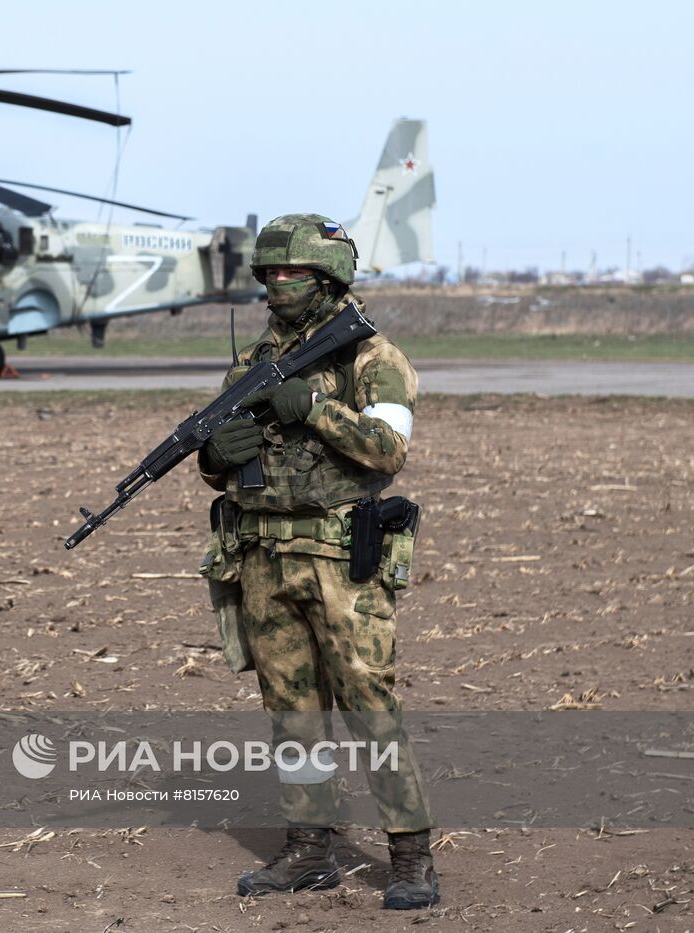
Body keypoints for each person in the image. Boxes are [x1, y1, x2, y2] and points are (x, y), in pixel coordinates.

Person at [197, 213, 439, 910]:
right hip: (264, 556)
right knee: (291, 711)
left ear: (328, 277)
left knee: (370, 706)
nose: (278, 283)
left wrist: (313, 408)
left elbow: (389, 450)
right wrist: (218, 457)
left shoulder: (371, 357)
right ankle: (310, 848)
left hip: (342, 559)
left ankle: (411, 854)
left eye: (292, 272)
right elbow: (216, 458)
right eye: (270, 272)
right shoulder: (252, 363)